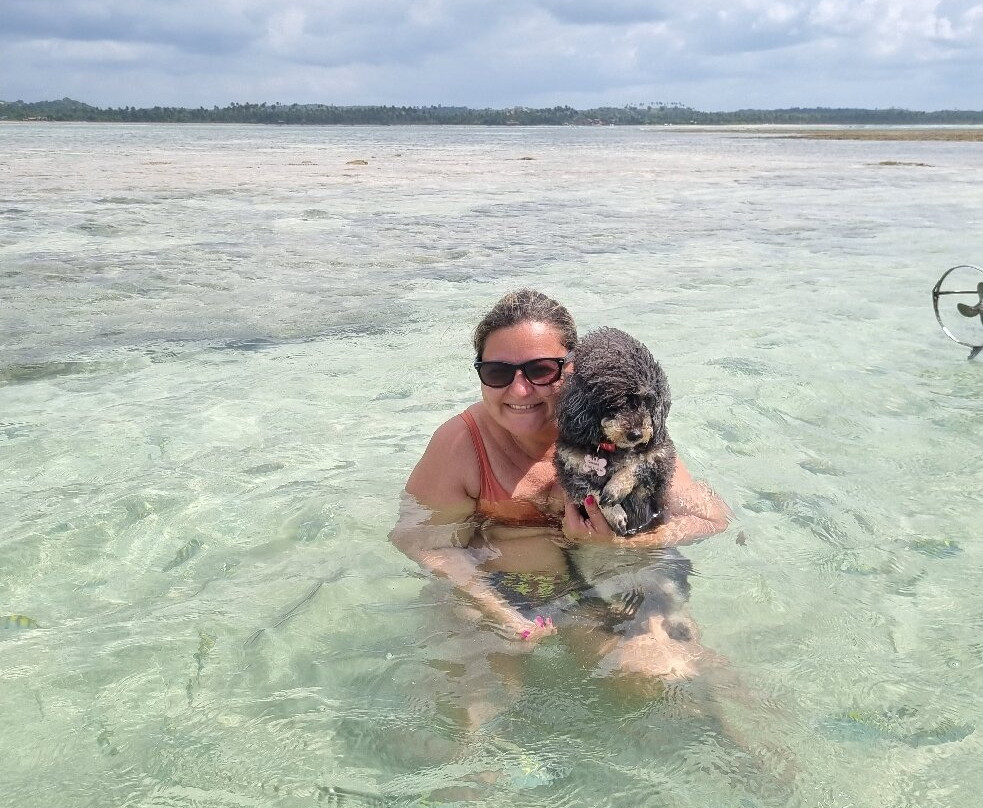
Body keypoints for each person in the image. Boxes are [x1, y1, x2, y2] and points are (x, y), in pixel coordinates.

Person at [390, 288, 731, 689]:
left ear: (573, 371)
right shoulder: (460, 444)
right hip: (501, 592)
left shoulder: (621, 430)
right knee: (471, 710)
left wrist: (626, 545)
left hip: (604, 591)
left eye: (541, 371)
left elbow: (711, 517)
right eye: (498, 373)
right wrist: (500, 613)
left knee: (668, 678)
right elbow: (419, 538)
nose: (519, 390)